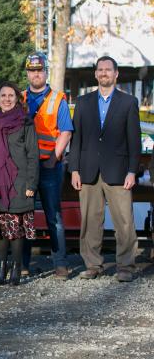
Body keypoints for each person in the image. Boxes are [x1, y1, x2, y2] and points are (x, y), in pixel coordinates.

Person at [69, 56, 141, 282]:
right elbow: (77, 138)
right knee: (90, 220)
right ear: (95, 74)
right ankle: (93, 265)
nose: (103, 73)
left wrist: (132, 170)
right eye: (100, 70)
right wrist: (74, 169)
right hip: (88, 170)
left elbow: (134, 140)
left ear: (116, 74)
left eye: (108, 70)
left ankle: (126, 266)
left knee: (124, 221)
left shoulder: (128, 103)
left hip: (119, 171)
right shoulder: (83, 102)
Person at [0, 81, 39, 286]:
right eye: (3, 95)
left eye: (11, 95)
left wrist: (32, 183)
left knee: (16, 229)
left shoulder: (25, 122)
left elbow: (33, 154)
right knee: (0, 229)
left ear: (17, 98)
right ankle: (1, 267)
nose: (7, 99)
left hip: (20, 183)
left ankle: (16, 267)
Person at [21, 52, 73, 279]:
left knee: (54, 216)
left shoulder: (57, 99)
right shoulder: (20, 98)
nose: (36, 74)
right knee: (23, 214)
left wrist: (54, 156)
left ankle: (60, 264)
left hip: (49, 166)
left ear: (45, 72)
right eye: (32, 71)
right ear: (27, 73)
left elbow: (66, 131)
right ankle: (22, 263)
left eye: (39, 70)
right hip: (25, 168)